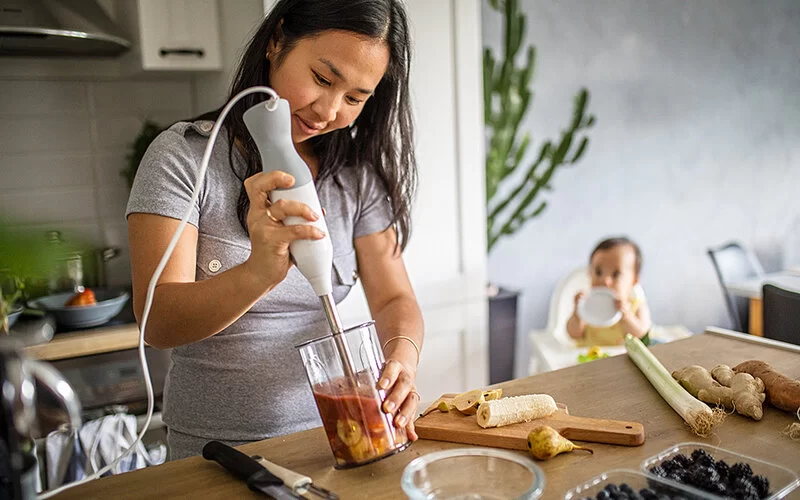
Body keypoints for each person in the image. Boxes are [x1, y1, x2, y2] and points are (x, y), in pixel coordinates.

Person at [125, 0, 423, 460]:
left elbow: (393, 298)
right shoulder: (183, 157)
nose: (328, 110)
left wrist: (401, 358)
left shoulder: (356, 175)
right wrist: (260, 271)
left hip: (339, 444)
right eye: (323, 79)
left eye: (355, 98)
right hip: (217, 456)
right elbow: (157, 321)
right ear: (278, 39)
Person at [567, 237, 652, 346]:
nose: (605, 280)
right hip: (588, 357)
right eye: (598, 272)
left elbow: (641, 334)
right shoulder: (588, 304)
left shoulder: (635, 306)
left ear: (634, 281)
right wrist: (577, 314)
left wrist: (626, 317)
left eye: (616, 274)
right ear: (589, 273)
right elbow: (573, 334)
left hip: (620, 360)